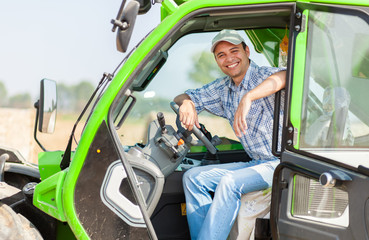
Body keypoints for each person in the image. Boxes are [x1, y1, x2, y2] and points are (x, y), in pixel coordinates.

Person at [173, 29, 286, 240]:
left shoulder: (264, 75)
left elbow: (287, 76)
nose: (229, 58)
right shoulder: (223, 89)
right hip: (256, 162)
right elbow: (183, 95)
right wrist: (187, 103)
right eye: (221, 55)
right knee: (193, 178)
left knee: (229, 183)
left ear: (247, 51)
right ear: (217, 61)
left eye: (234, 51)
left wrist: (248, 97)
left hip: (280, 164)